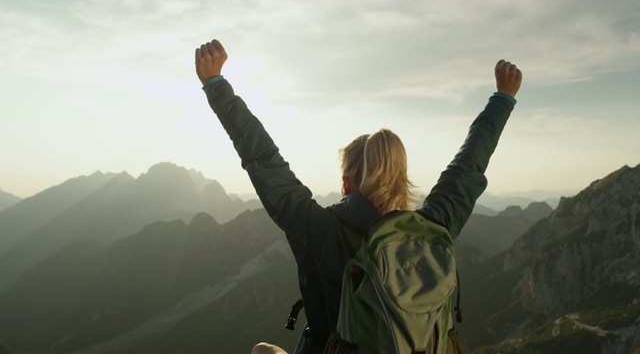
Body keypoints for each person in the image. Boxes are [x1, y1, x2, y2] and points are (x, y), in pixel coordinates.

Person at [195, 39, 522, 354]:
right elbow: (469, 165)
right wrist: (503, 97)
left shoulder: (323, 231)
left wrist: (214, 83)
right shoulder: (435, 227)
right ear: (400, 176)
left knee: (262, 350)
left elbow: (263, 159)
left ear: (347, 182)